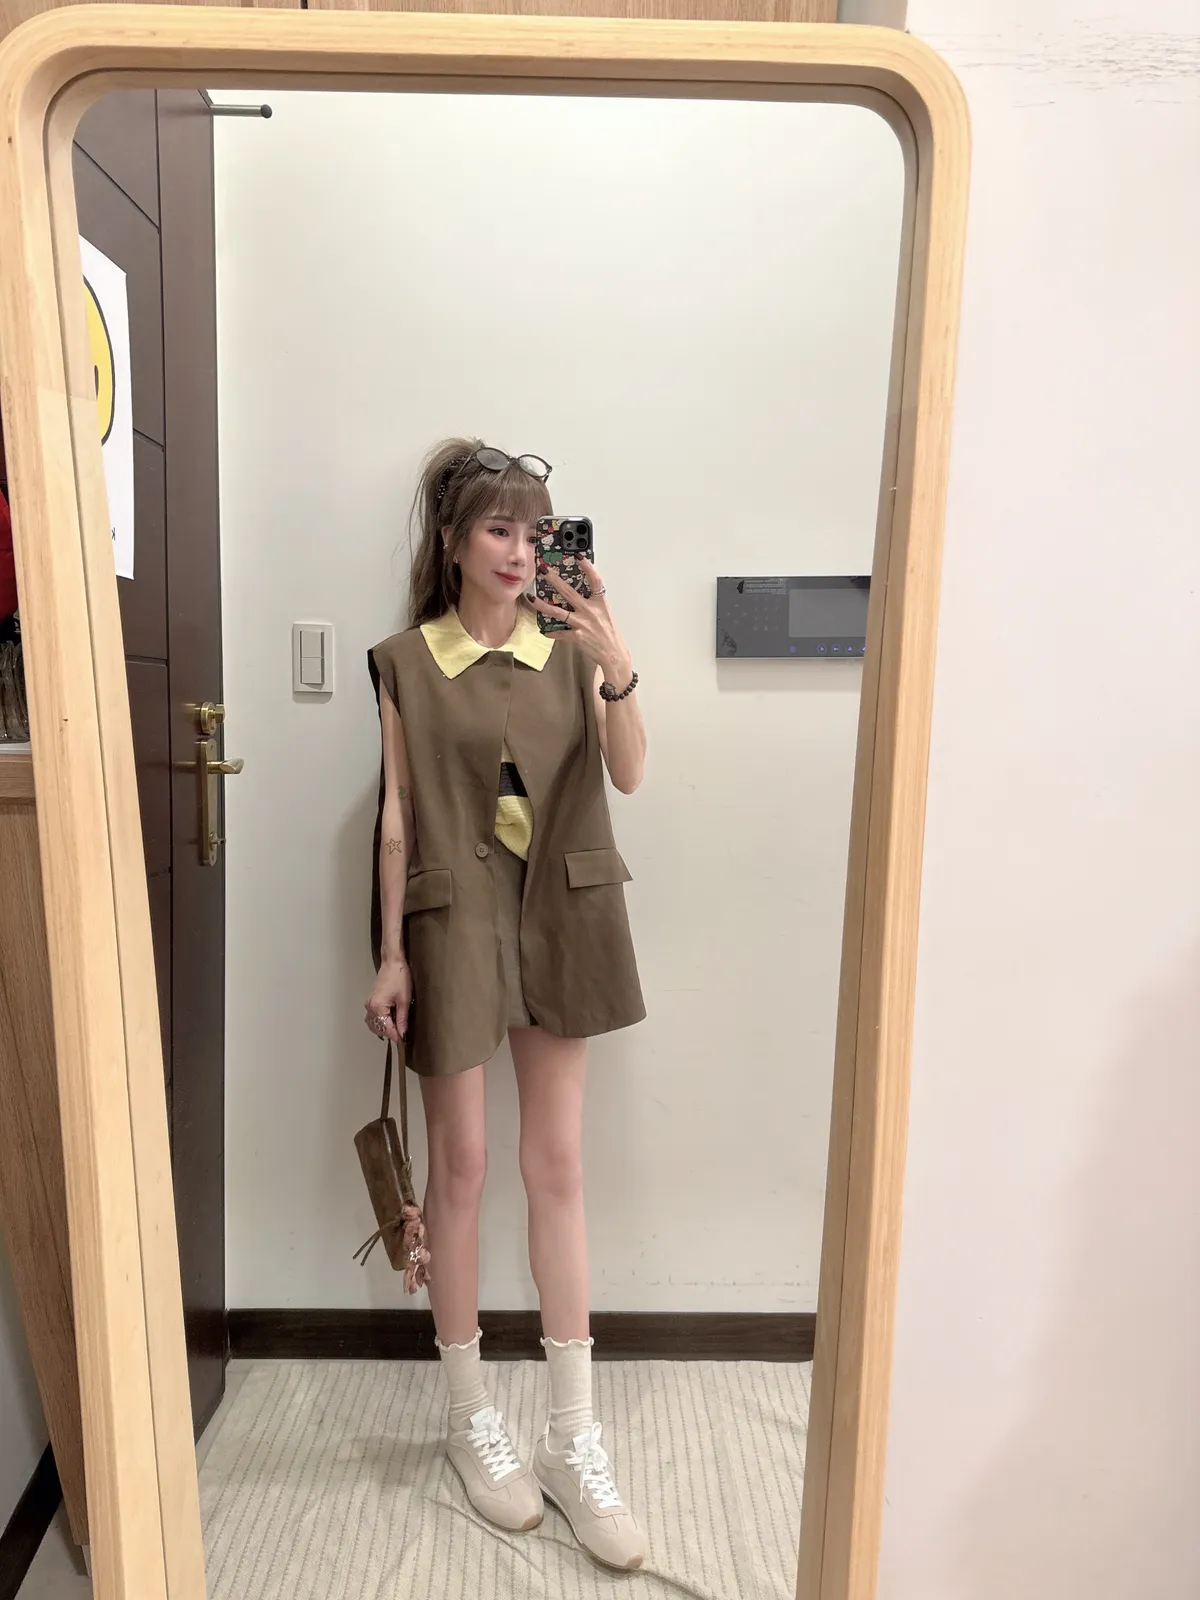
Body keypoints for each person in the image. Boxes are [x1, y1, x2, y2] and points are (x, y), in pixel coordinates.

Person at [365, 439, 648, 1570]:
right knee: (464, 1165)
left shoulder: (572, 648)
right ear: (453, 541)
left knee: (558, 1166)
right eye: (500, 530)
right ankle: (469, 1416)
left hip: (562, 914)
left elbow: (629, 772)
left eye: (537, 532)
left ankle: (573, 1437)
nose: (523, 551)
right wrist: (389, 953)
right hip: (453, 921)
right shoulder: (406, 661)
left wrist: (617, 661)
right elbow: (397, 813)